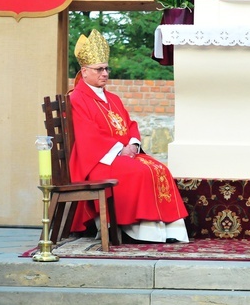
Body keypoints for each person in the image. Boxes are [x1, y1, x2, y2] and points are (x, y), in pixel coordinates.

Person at [69, 29, 189, 243]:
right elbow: (88, 136)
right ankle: (142, 231)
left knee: (159, 168)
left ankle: (169, 231)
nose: (105, 73)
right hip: (96, 162)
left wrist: (133, 144)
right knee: (140, 171)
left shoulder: (112, 98)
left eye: (106, 68)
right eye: (99, 69)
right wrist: (118, 150)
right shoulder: (76, 98)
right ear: (84, 71)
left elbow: (129, 124)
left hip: (120, 155)